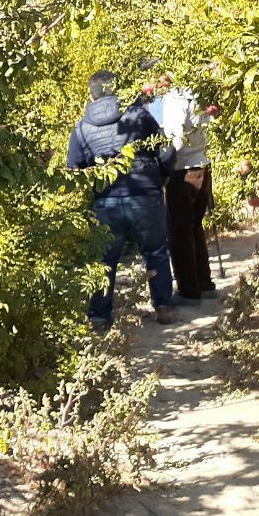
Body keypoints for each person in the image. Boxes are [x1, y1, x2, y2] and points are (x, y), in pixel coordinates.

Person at [66, 70, 179, 330]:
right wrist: (160, 179)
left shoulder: (82, 129)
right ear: (117, 88)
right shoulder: (138, 116)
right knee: (156, 253)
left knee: (104, 262)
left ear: (90, 94)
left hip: (106, 204)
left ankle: (99, 318)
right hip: (145, 196)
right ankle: (164, 308)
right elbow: (165, 149)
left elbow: (74, 170)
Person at [155, 73, 218, 303]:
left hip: (183, 170)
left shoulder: (175, 99)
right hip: (203, 165)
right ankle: (205, 283)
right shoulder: (197, 92)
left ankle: (189, 290)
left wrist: (164, 166)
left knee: (180, 231)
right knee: (195, 227)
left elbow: (176, 138)